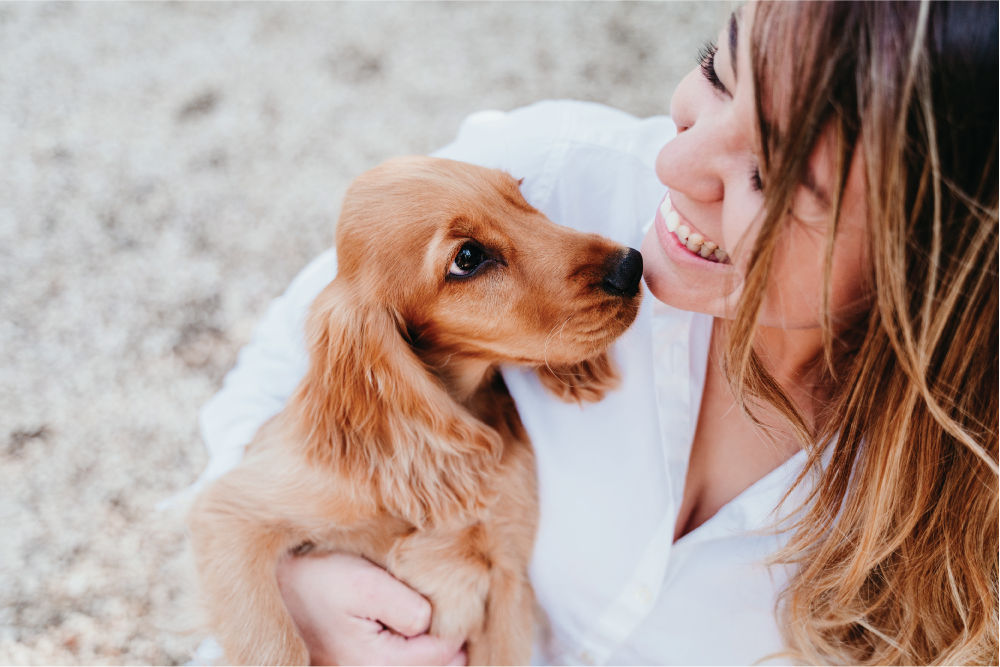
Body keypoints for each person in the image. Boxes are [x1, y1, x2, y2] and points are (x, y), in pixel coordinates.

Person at [195, 1, 998, 664]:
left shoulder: (965, 485)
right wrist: (300, 584)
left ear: (924, 263)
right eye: (717, 71)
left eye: (768, 174)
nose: (678, 162)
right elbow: (278, 379)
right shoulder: (551, 174)